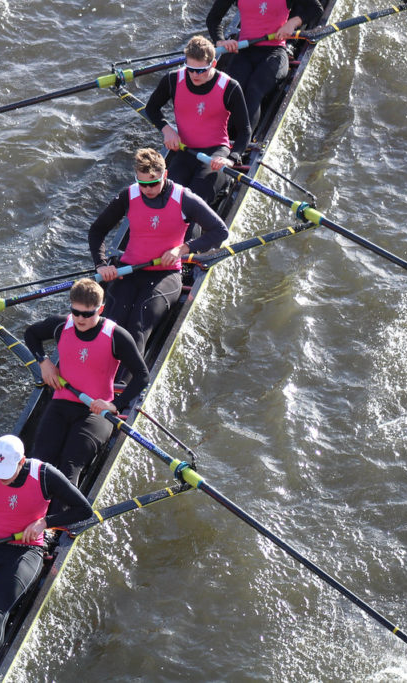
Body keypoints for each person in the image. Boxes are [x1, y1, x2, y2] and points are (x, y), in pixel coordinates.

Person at [0, 435, 93, 655]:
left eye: (7, 472)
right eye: (0, 472)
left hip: (27, 550)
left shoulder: (45, 474)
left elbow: (84, 510)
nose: (2, 478)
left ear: (22, 461)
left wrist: (45, 522)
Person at [88, 148, 228, 355]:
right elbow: (97, 230)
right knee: (110, 326)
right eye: (142, 184)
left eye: (154, 183)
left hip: (166, 274)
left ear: (166, 175)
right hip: (129, 270)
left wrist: (183, 248)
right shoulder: (129, 195)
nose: (148, 189)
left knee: (138, 325)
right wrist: (101, 264)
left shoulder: (184, 198)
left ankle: (128, 383)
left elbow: (220, 231)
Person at [23, 278, 149, 486]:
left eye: (87, 314)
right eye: (76, 312)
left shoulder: (116, 335)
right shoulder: (60, 325)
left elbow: (142, 375)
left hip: (96, 411)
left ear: (101, 310)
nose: (80, 319)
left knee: (69, 466)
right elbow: (31, 334)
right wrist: (44, 362)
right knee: (39, 463)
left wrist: (115, 405)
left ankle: (58, 518)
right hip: (61, 403)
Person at [143, 35, 251, 205]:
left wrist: (231, 159)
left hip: (215, 154)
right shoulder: (172, 80)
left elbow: (245, 132)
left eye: (201, 70)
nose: (194, 75)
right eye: (190, 69)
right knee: (167, 201)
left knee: (194, 204)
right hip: (185, 150)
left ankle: (223, 185)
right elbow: (151, 108)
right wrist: (167, 129)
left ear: (213, 64)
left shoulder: (230, 87)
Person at [207, 0, 324, 127]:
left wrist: (292, 22)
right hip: (244, 51)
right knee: (232, 92)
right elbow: (213, 18)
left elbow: (316, 9)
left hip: (274, 51)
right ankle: (218, 138)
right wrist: (220, 41)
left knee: (254, 90)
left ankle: (245, 143)